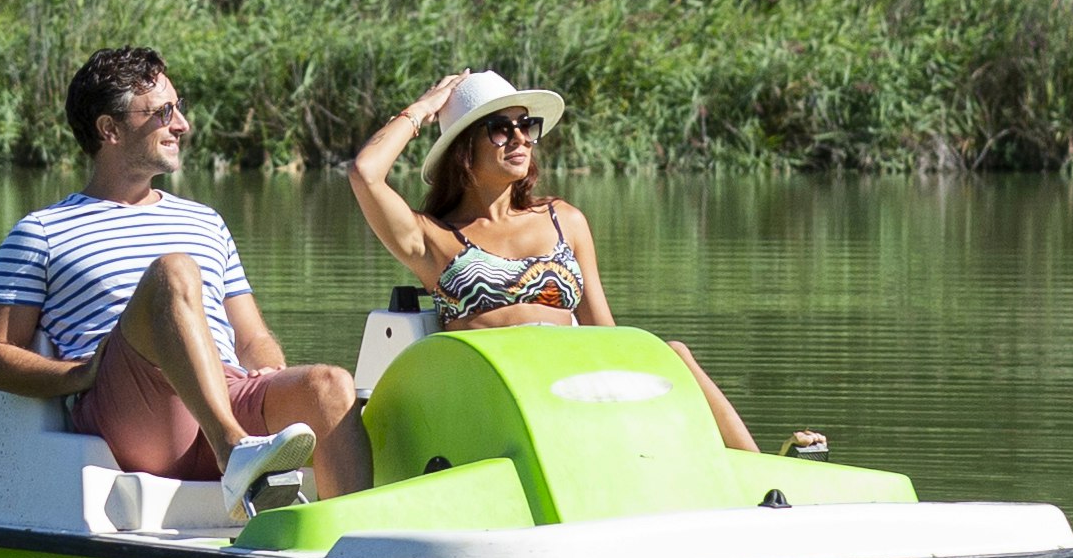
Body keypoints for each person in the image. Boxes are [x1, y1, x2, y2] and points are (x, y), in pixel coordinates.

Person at [347, 67, 818, 457]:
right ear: (462, 147)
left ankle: (758, 470)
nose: (520, 138)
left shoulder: (563, 220)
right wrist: (422, 110)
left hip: (573, 381)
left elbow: (603, 330)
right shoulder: (434, 238)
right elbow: (366, 173)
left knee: (671, 354)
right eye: (499, 127)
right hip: (497, 391)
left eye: (524, 125)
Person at [0, 48, 373, 493]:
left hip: (224, 392)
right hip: (132, 405)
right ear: (109, 129)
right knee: (174, 272)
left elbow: (251, 337)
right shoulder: (41, 232)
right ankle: (233, 449)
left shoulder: (206, 221)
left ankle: (347, 548)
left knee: (331, 387)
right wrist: (77, 375)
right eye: (164, 111)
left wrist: (266, 367)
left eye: (178, 108)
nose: (182, 124)